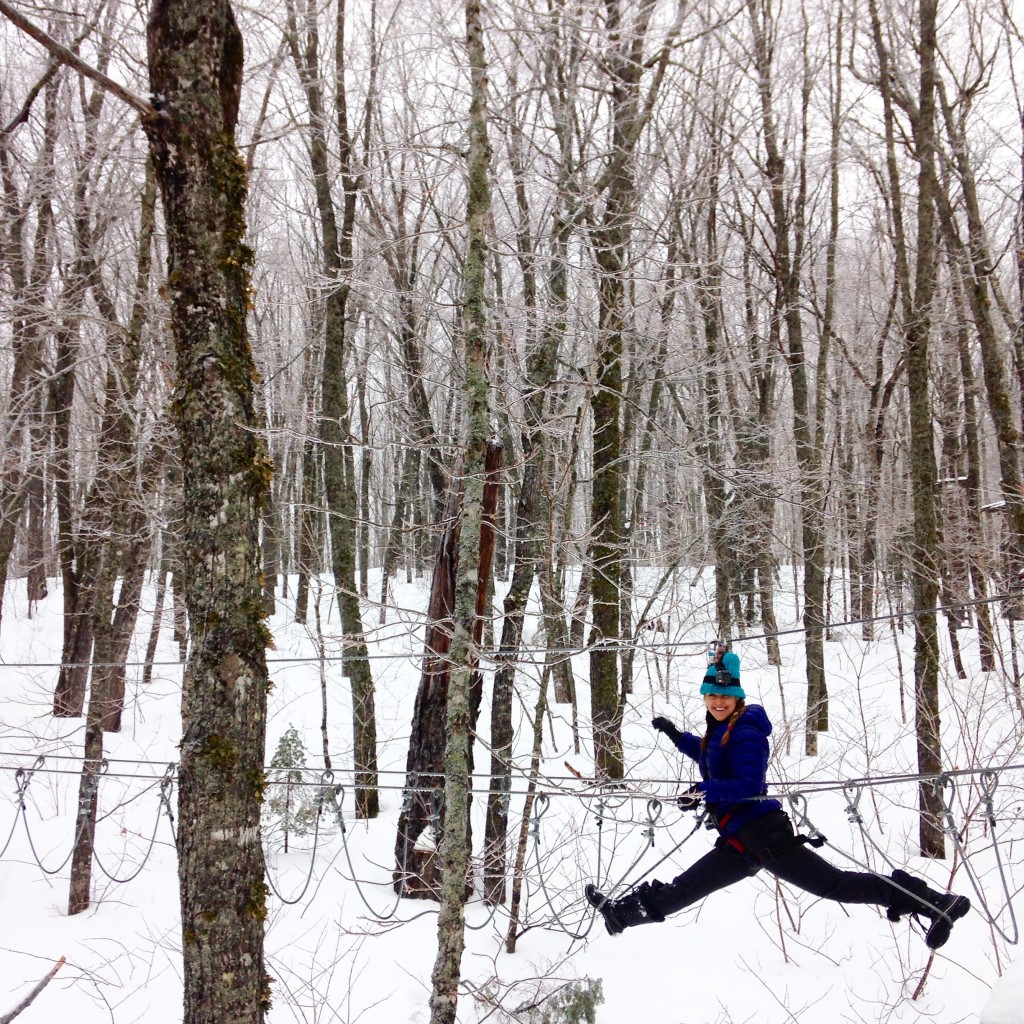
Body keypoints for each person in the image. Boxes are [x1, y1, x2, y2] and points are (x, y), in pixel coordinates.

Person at [585, 642, 971, 950]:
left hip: (765, 836)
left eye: (725, 697)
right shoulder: (721, 730)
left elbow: (748, 785)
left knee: (835, 885)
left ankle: (935, 902)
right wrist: (675, 736)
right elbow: (710, 753)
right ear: (705, 698)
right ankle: (619, 915)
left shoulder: (747, 732)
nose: (718, 702)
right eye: (711, 696)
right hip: (740, 842)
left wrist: (703, 791)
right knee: (685, 888)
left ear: (737, 699)